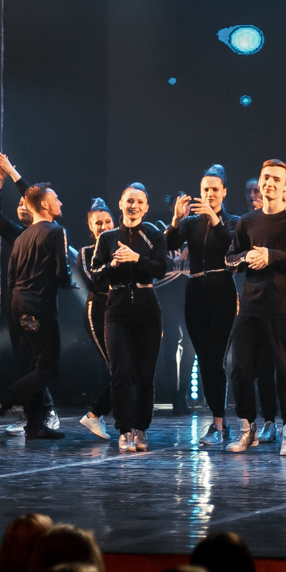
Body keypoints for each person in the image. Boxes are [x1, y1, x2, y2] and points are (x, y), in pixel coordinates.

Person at [224, 159, 286, 455]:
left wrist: (271, 255)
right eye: (266, 177)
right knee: (240, 369)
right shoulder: (247, 221)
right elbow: (230, 259)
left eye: (276, 179)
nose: (270, 183)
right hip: (251, 306)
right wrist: (247, 256)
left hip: (284, 307)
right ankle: (247, 429)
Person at [0, 153, 70, 441]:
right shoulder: (26, 233)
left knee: (33, 368)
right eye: (20, 203)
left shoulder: (24, 235)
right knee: (43, 369)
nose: (23, 205)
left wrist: (14, 176)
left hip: (19, 305)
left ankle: (34, 425)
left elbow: (35, 196)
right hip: (33, 307)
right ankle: (0, 405)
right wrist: (2, 179)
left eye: (25, 203)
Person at [169, 165, 243, 448]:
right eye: (205, 190)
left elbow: (231, 248)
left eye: (214, 189)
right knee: (203, 359)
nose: (210, 194)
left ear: (224, 191)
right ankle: (218, 423)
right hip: (195, 292)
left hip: (222, 290)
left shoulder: (233, 221)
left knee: (216, 360)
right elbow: (170, 244)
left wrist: (214, 219)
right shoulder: (191, 222)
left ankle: (219, 424)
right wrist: (176, 220)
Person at [94, 183, 167, 452]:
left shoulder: (154, 235)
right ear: (121, 204)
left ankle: (141, 428)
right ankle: (124, 431)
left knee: (145, 375)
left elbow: (161, 268)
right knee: (121, 373)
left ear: (146, 208)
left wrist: (137, 258)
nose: (133, 206)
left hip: (147, 310)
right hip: (117, 310)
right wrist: (113, 264)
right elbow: (95, 275)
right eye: (129, 201)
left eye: (139, 202)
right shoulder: (107, 238)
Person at [73, 200, 118, 441]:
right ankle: (97, 414)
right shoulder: (86, 252)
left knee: (128, 368)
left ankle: (98, 414)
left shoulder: (123, 247)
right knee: (118, 368)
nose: (103, 226)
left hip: (120, 310)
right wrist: (113, 264)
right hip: (98, 310)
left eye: (107, 221)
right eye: (98, 223)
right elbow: (93, 281)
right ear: (91, 226)